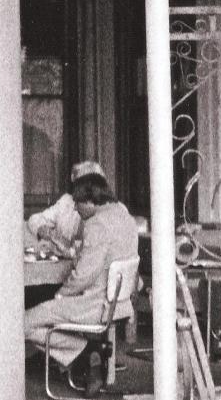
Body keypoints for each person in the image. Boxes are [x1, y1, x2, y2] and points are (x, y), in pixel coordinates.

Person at [24, 173, 138, 397]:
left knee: (22, 323)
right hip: (119, 304)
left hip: (94, 306)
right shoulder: (125, 217)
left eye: (77, 203)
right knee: (41, 315)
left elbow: (84, 275)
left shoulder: (96, 224)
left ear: (90, 200)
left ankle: (85, 354)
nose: (75, 208)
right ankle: (91, 353)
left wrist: (61, 294)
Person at [24, 160, 106, 309]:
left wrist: (67, 249)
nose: (77, 191)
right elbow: (34, 219)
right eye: (76, 185)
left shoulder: (102, 214)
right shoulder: (66, 201)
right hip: (61, 280)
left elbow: (89, 260)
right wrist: (44, 230)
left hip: (81, 290)